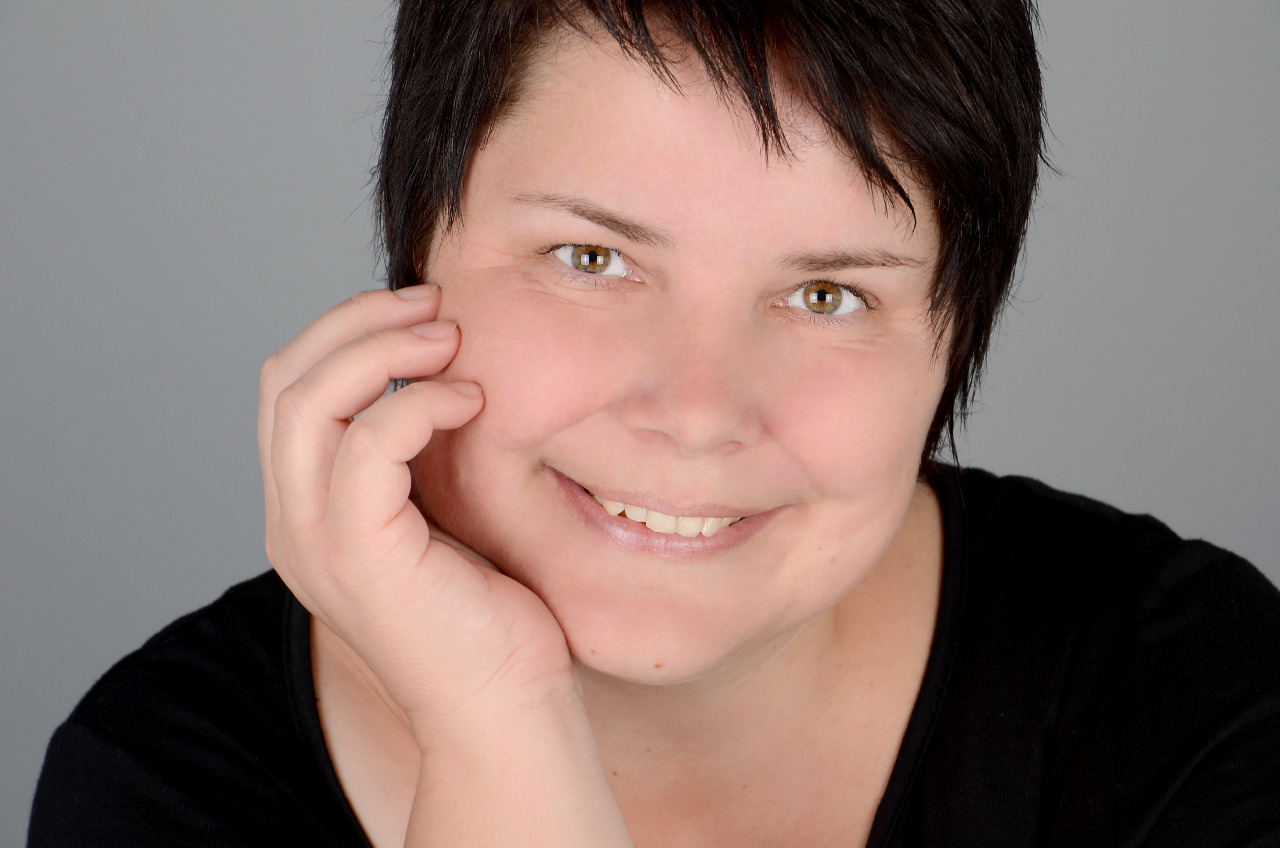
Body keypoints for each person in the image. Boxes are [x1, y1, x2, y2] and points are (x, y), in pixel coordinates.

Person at [29, 0, 1280, 845]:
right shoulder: (164, 782)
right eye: (591, 258)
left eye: (825, 293)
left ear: (955, 333)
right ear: (419, 253)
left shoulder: (1185, 691)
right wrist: (498, 721)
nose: (695, 411)